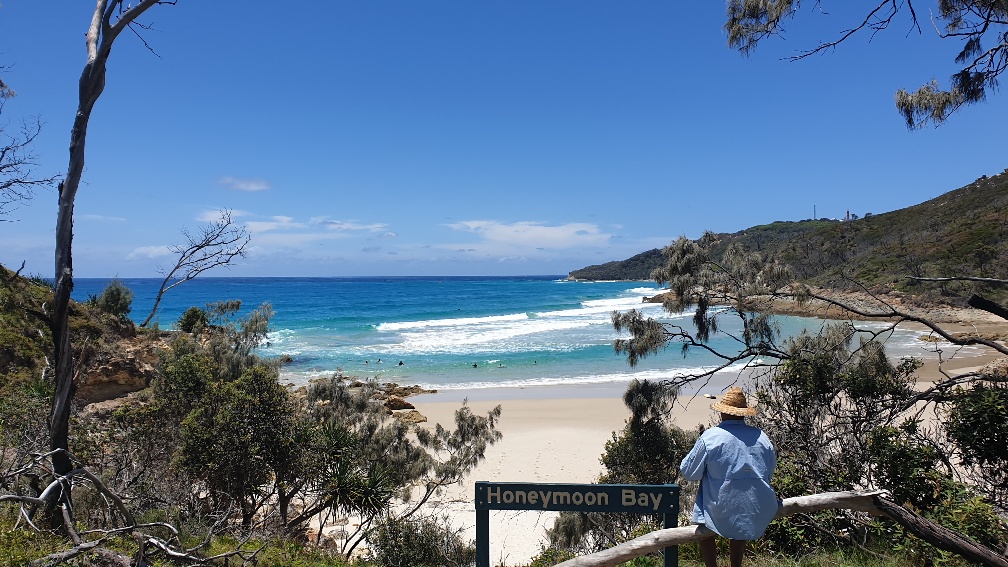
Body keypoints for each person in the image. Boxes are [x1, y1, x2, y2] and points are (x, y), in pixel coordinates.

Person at [679, 386, 777, 567]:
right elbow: (769, 472)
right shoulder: (762, 437)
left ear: (722, 412)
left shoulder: (711, 436)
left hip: (722, 507)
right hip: (756, 506)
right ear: (743, 414)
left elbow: (688, 472)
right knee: (741, 494)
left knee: (707, 498)